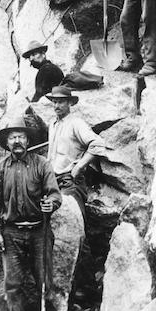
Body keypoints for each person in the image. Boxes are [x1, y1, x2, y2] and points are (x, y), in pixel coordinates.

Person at [0, 116, 62, 311]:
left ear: (28, 139)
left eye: (21, 136)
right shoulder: (1, 168)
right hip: (11, 233)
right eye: (12, 137)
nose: (17, 141)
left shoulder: (42, 164)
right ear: (7, 142)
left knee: (45, 281)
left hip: (39, 230)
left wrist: (51, 204)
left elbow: (55, 194)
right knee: (13, 283)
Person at [46, 86, 107, 219]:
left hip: (71, 181)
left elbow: (97, 143)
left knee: (73, 218)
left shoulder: (76, 123)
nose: (57, 105)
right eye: (54, 102)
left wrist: (80, 166)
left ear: (70, 103)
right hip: (53, 181)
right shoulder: (53, 124)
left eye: (61, 102)